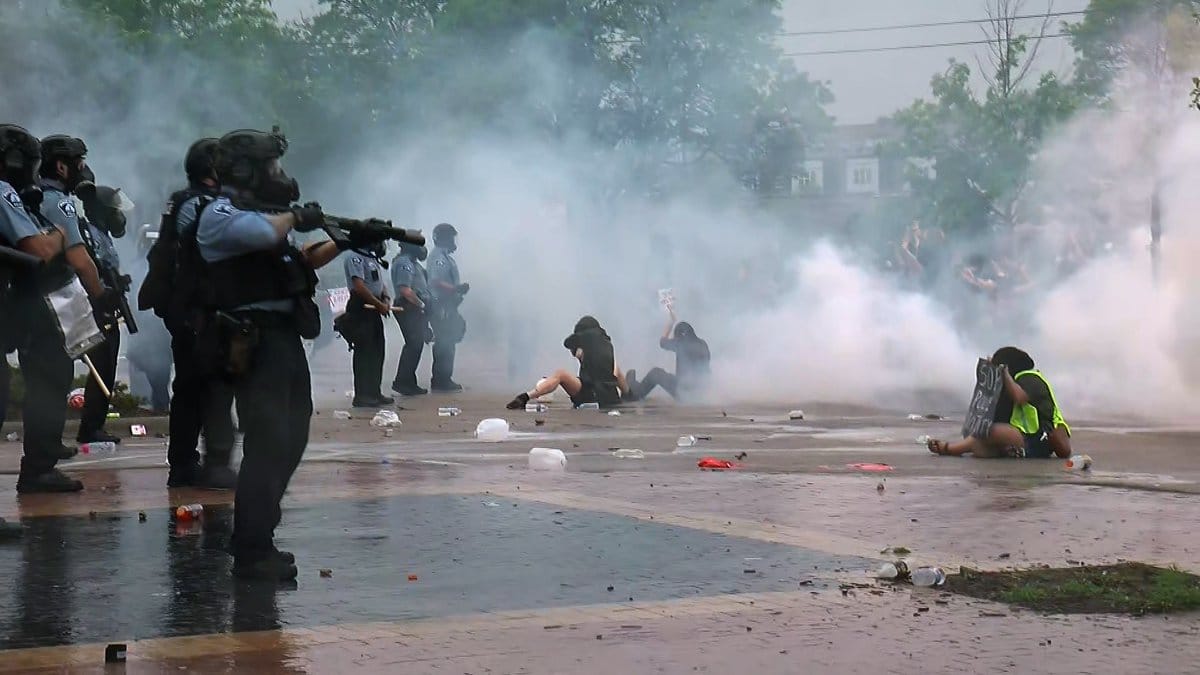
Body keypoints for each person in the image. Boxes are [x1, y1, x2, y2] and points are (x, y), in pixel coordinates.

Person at [196, 127, 342, 581]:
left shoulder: (268, 216)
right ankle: (252, 547)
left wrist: (347, 239)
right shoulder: (221, 213)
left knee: (292, 435)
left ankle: (260, 531)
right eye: (272, 165)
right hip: (252, 341)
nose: (280, 174)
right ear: (245, 169)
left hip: (282, 337)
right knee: (267, 441)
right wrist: (296, 217)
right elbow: (262, 233)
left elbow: (298, 260)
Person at [140, 138, 238, 489]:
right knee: (213, 385)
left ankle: (185, 465)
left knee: (191, 387)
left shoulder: (184, 201)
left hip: (188, 306)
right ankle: (212, 466)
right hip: (199, 308)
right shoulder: (203, 204)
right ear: (211, 168)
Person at [0, 124, 92, 494]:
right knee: (45, 380)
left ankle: (40, 466)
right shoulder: (5, 191)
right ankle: (38, 468)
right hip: (27, 306)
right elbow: (41, 250)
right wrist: (57, 233)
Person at [927, 346, 1072, 459]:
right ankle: (952, 449)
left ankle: (949, 449)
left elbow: (1020, 397)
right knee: (980, 448)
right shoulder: (1017, 380)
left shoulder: (1030, 378)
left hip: (1039, 439)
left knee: (989, 431)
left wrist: (1004, 374)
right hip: (1027, 436)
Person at [74, 181, 135, 445]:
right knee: (102, 365)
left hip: (109, 306)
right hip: (96, 308)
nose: (119, 216)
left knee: (108, 366)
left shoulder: (101, 234)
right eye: (114, 210)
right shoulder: (87, 233)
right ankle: (90, 427)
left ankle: (95, 424)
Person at [507, 316, 624, 410]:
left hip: (592, 395)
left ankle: (525, 396)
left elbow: (567, 342)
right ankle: (629, 392)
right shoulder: (607, 341)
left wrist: (580, 349)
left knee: (560, 374)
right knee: (616, 369)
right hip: (610, 397)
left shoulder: (586, 335)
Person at [342, 241, 393, 407]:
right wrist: (378, 304)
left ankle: (374, 392)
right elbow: (359, 286)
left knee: (377, 352)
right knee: (365, 353)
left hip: (375, 308)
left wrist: (385, 298)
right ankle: (362, 395)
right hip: (362, 308)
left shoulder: (371, 258)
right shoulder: (354, 257)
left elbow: (380, 283)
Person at [625, 309, 710, 402]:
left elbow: (662, 342)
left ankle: (637, 393)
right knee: (670, 376)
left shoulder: (681, 343)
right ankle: (637, 386)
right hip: (701, 392)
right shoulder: (702, 344)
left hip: (684, 392)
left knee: (656, 373)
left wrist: (671, 322)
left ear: (679, 336)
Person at [427, 223, 468, 392]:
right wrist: (455, 289)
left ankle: (444, 378)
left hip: (449, 305)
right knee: (444, 341)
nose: (453, 241)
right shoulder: (438, 258)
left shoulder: (445, 256)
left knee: (450, 339)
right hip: (441, 305)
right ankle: (441, 380)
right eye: (451, 237)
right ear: (443, 238)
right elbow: (435, 281)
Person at [390, 241, 432, 396]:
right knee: (413, 344)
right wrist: (421, 304)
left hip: (415, 307)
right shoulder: (404, 263)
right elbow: (405, 290)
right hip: (408, 307)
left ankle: (409, 382)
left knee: (417, 345)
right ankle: (403, 382)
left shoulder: (414, 264)